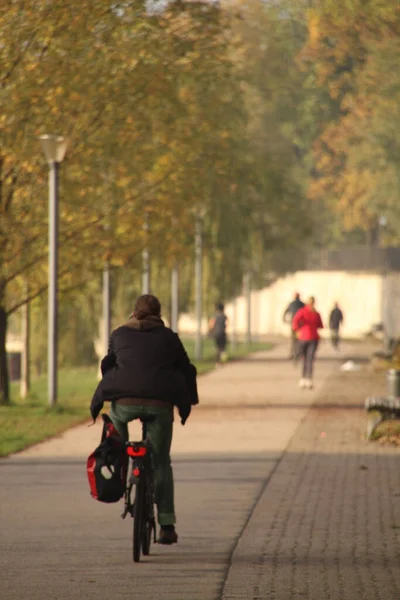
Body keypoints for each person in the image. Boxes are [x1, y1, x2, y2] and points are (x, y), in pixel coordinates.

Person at [90, 294, 198, 545]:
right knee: (161, 463)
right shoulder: (169, 337)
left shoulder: (119, 334)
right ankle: (167, 525)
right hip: (160, 404)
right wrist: (187, 402)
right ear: (159, 314)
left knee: (117, 439)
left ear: (133, 312)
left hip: (124, 403)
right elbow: (185, 368)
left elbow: (108, 365)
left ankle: (120, 465)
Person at [292, 296, 323, 389]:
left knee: (305, 359)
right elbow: (320, 325)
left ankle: (303, 379)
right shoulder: (316, 313)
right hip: (313, 338)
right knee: (310, 359)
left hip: (303, 337)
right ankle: (309, 379)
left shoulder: (302, 311)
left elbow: (295, 321)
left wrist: (297, 330)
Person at [282, 292, 305, 360]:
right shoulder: (302, 304)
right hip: (300, 324)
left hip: (293, 324)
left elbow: (285, 312)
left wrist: (284, 319)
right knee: (300, 339)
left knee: (292, 339)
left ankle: (292, 353)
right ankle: (300, 353)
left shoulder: (291, 304)